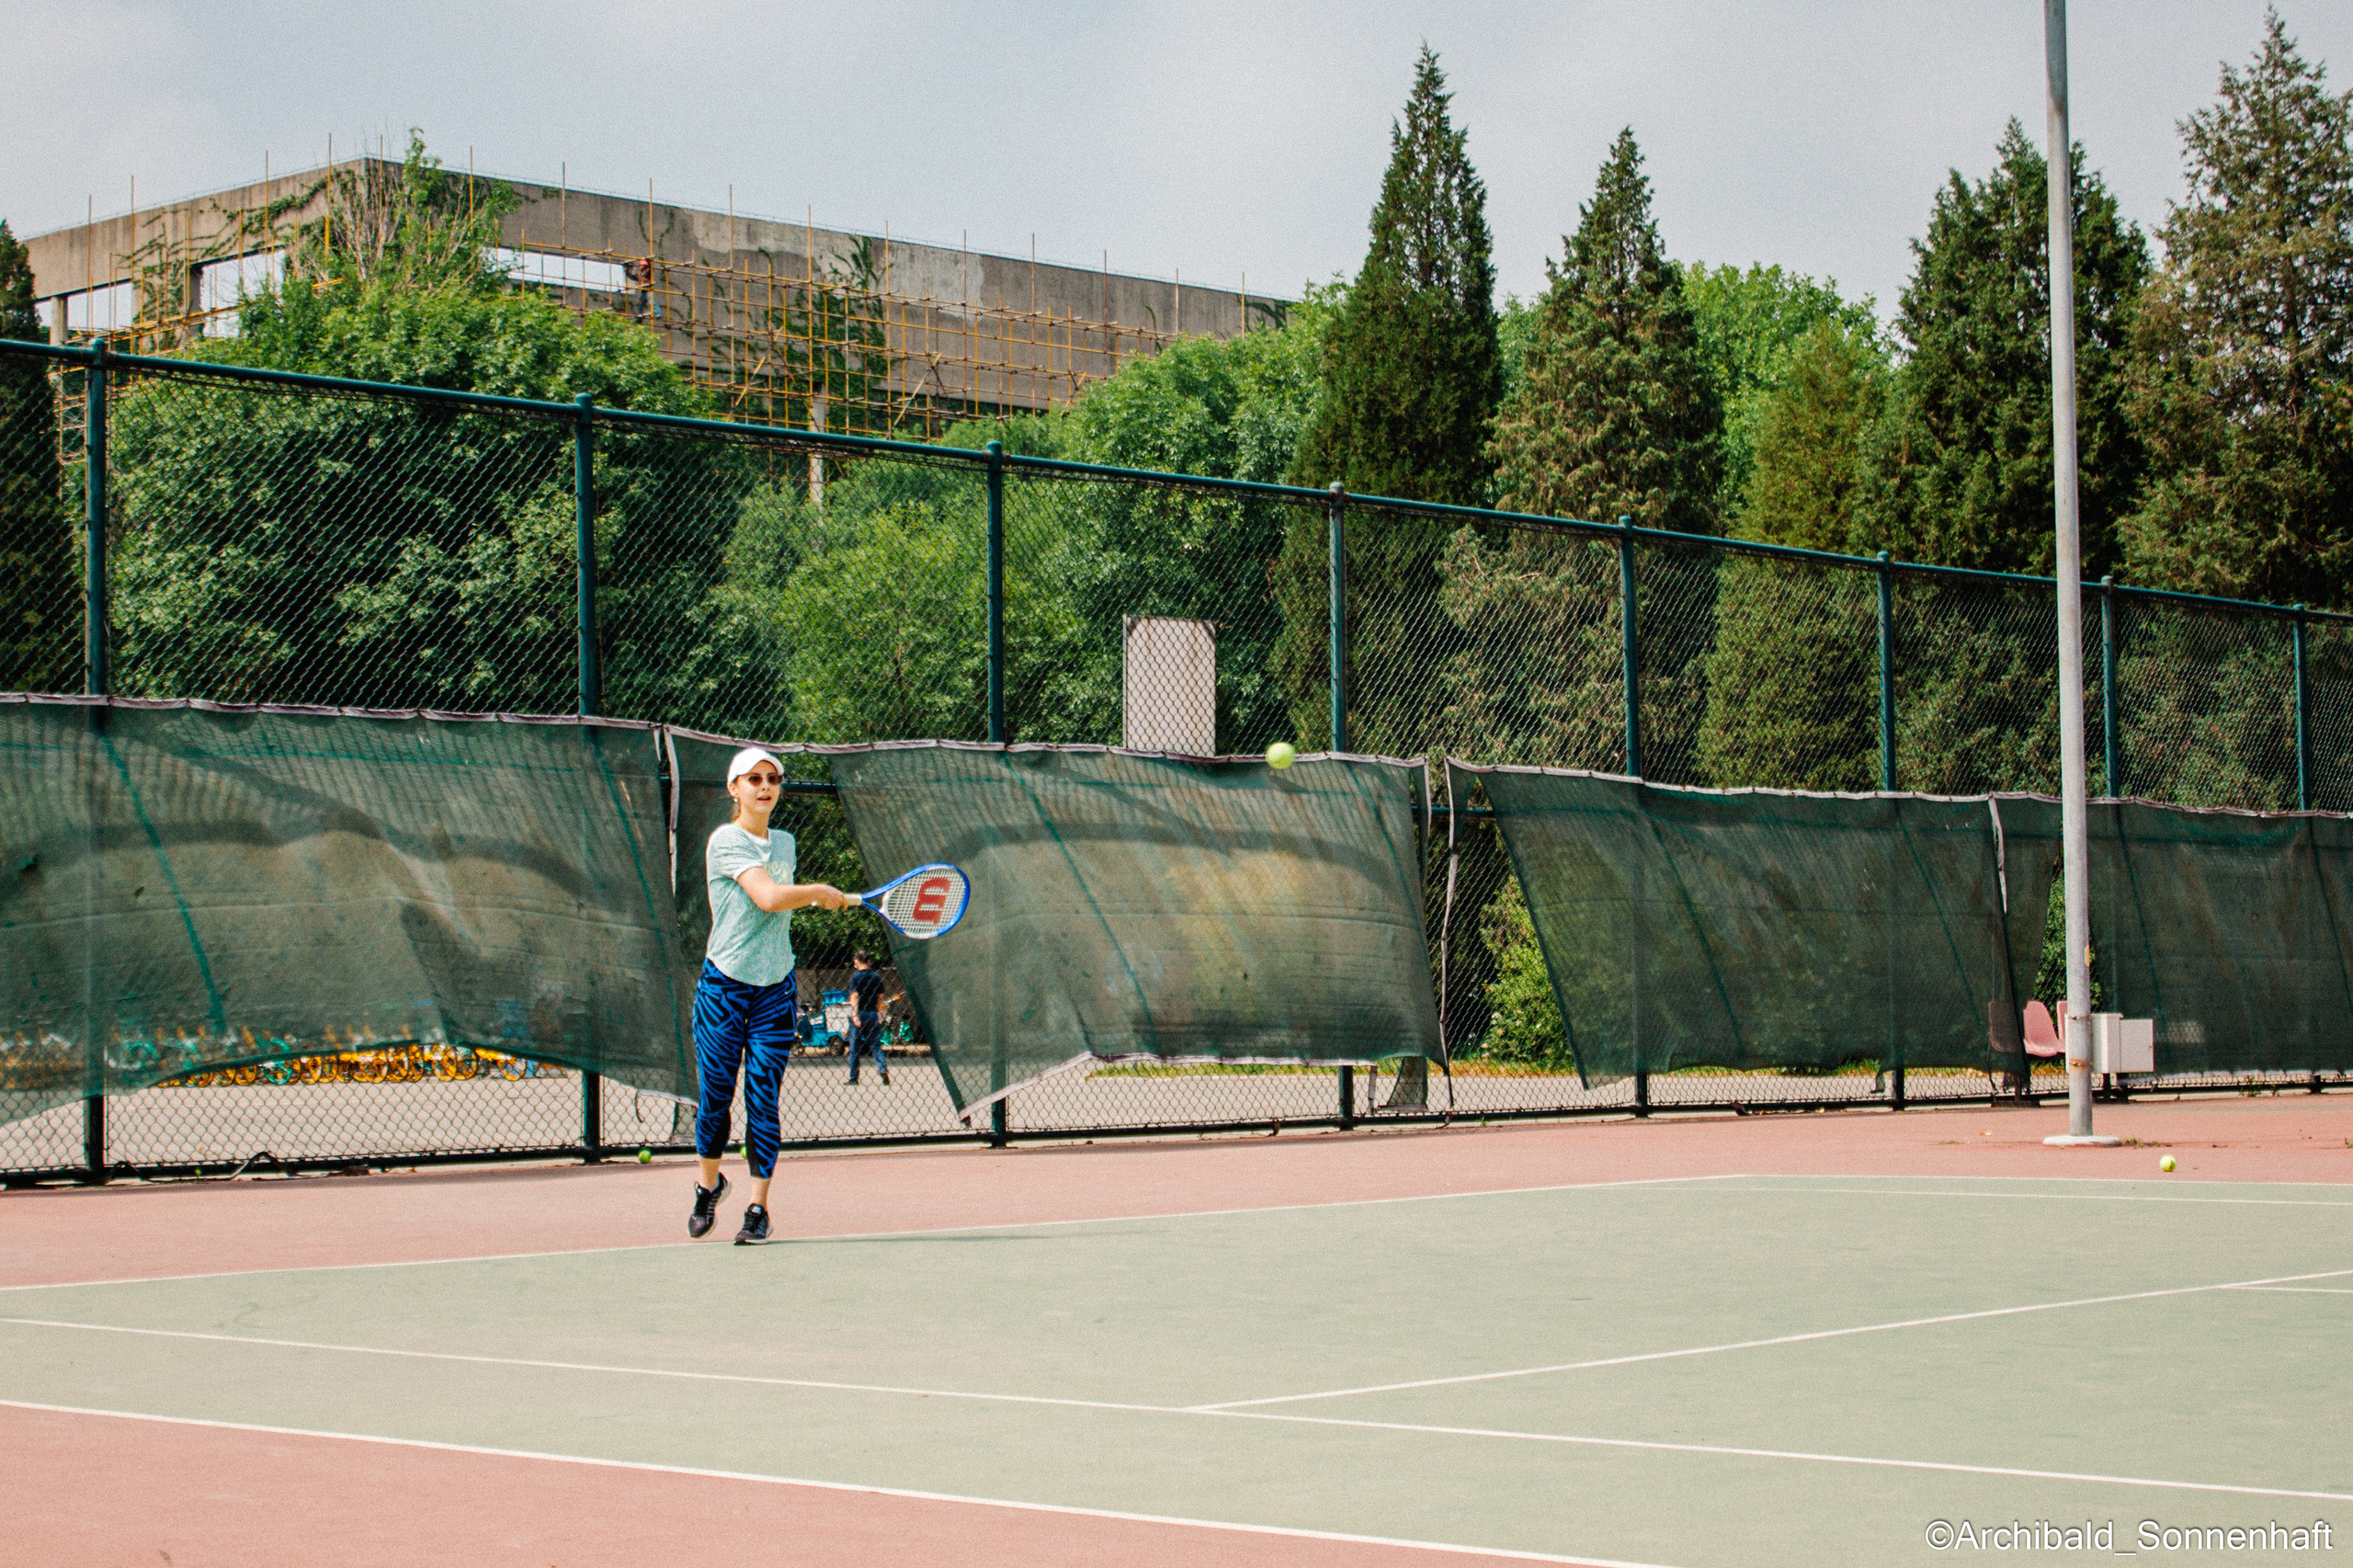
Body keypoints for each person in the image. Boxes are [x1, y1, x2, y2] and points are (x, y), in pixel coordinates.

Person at [690, 746, 849, 1244]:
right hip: (724, 986)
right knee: (716, 1099)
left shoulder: (785, 843)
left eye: (773, 779)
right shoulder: (725, 841)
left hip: (775, 990)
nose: (765, 787)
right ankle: (708, 1184)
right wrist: (820, 891)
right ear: (734, 789)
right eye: (753, 779)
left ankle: (757, 1209)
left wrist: (815, 895)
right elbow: (768, 898)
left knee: (764, 1099)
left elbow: (779, 906)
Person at [844, 949, 903, 1085]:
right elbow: (880, 997)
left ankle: (854, 1077)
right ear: (869, 961)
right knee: (876, 1045)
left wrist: (854, 1014)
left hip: (859, 1013)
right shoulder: (876, 977)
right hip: (871, 1014)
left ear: (856, 961)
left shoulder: (855, 977)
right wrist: (877, 1012)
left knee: (855, 1048)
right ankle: (882, 1069)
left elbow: (854, 996)